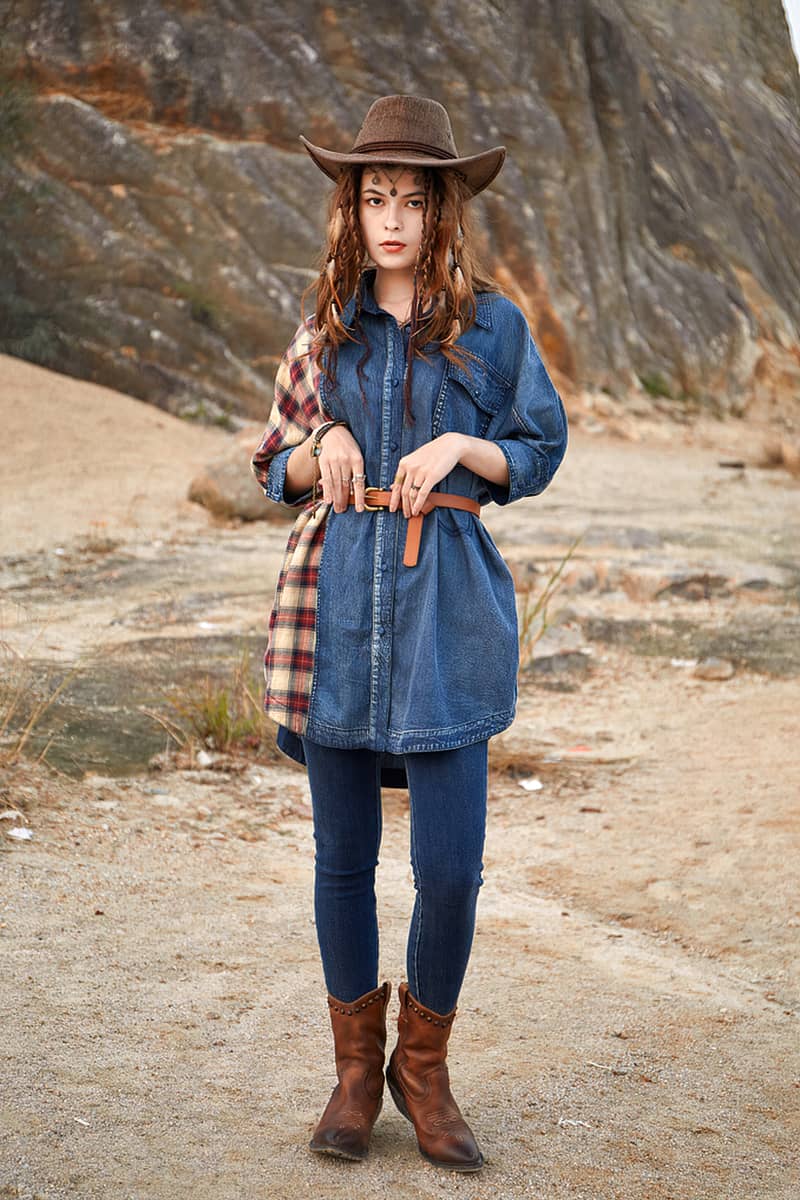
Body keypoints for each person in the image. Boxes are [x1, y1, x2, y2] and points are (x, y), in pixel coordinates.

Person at [251, 94, 567, 1173]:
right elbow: (272, 465)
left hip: (448, 612)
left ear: (442, 211)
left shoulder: (494, 325)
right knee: (341, 862)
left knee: (449, 871)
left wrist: (459, 454)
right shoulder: (326, 325)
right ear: (353, 206)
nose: (392, 218)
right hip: (337, 609)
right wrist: (324, 436)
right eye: (374, 197)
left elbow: (534, 445)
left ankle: (420, 1072)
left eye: (412, 200)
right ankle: (353, 1074)